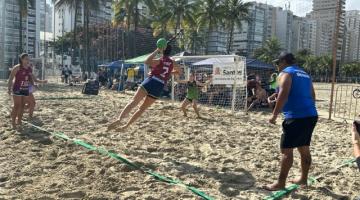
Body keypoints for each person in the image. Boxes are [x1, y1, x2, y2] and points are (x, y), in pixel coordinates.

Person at [264, 52, 318, 191]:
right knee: (304, 147)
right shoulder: (304, 74)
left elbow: (284, 94)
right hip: (311, 115)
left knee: (286, 151)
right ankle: (303, 179)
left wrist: (274, 115)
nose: (277, 66)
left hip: (295, 117)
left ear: (283, 61)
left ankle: (280, 183)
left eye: (278, 63)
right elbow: (312, 95)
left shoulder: (285, 73)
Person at [108, 44, 180, 131]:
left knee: (133, 102)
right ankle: (126, 126)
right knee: (141, 109)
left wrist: (157, 50)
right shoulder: (173, 62)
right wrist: (169, 73)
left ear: (162, 50)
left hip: (151, 81)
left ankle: (119, 119)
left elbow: (147, 61)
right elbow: (179, 71)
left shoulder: (160, 60)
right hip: (159, 86)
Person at [7, 53, 33, 129]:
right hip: (17, 88)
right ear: (21, 59)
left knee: (22, 105)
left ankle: (19, 121)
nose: (28, 60)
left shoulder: (29, 68)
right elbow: (10, 78)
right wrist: (9, 89)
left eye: (28, 59)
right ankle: (13, 122)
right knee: (17, 106)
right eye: (26, 59)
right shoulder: (17, 68)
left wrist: (33, 85)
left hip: (25, 88)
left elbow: (30, 78)